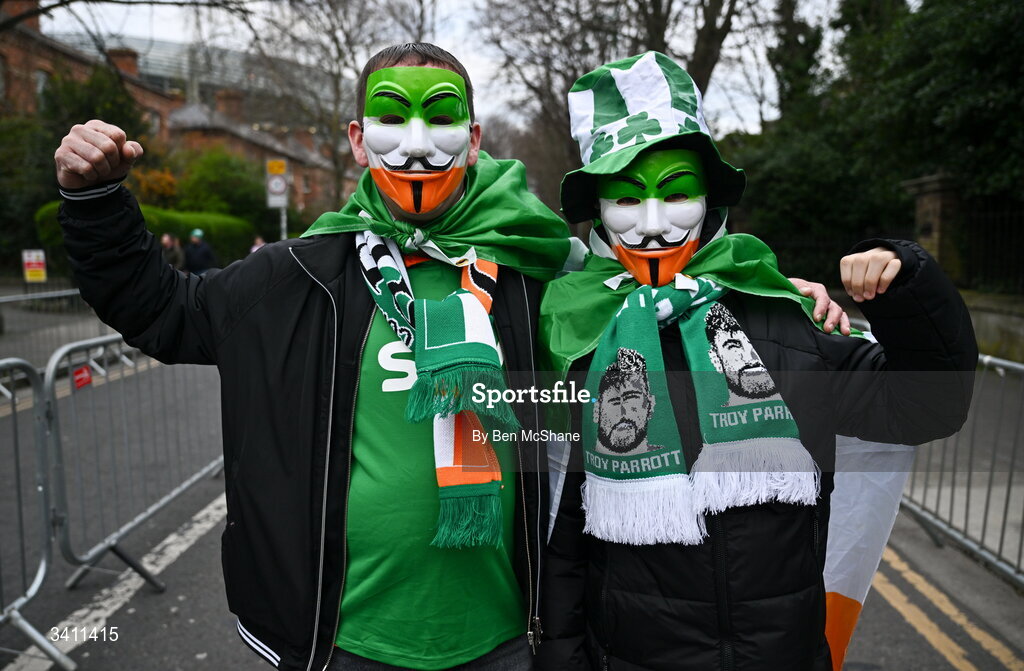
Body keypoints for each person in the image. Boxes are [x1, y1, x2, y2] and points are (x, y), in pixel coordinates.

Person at [54, 43, 843, 671]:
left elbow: (659, 299)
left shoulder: (545, 277)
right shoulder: (300, 276)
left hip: (507, 636)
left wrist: (774, 296)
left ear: (473, 138)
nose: (419, 141)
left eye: (444, 118)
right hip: (343, 640)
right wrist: (97, 202)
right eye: (393, 117)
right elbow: (161, 310)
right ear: (358, 139)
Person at [537, 52, 977, 671]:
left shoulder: (783, 316)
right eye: (627, 199)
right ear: (599, 212)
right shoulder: (572, 336)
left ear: (711, 201)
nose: (654, 225)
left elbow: (925, 407)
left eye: (678, 193)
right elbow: (563, 538)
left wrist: (907, 287)